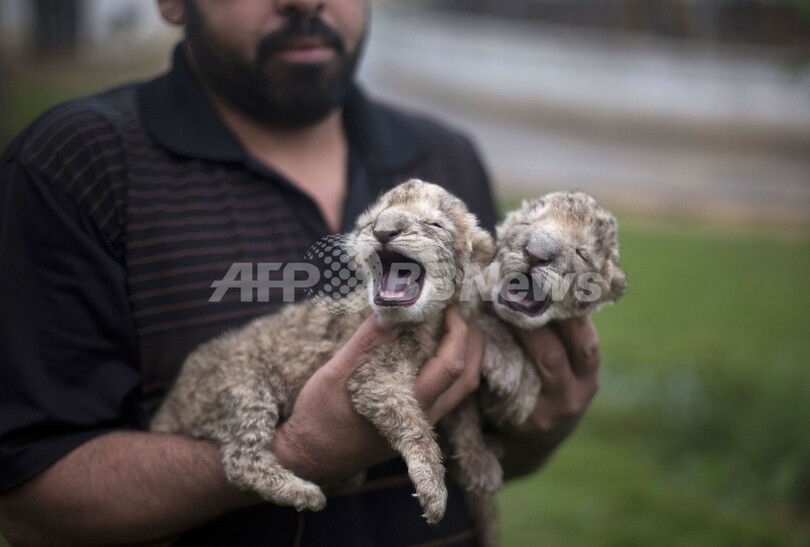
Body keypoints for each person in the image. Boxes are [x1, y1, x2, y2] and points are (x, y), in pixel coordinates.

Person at [0, 0, 601, 544]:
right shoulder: (72, 167)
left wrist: (542, 425)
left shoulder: (446, 159)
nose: (306, 2)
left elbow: (490, 445)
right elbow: (27, 502)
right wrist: (299, 452)